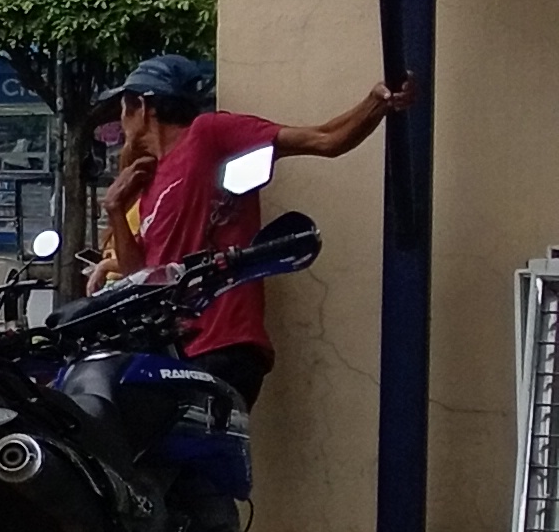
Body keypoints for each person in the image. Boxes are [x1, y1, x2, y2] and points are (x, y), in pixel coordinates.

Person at [98, 50, 410, 406]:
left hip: (224, 345)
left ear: (142, 106)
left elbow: (326, 139)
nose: (121, 119)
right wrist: (115, 209)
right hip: (173, 353)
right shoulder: (149, 183)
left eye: (123, 107)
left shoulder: (207, 133)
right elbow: (139, 276)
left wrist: (377, 102)